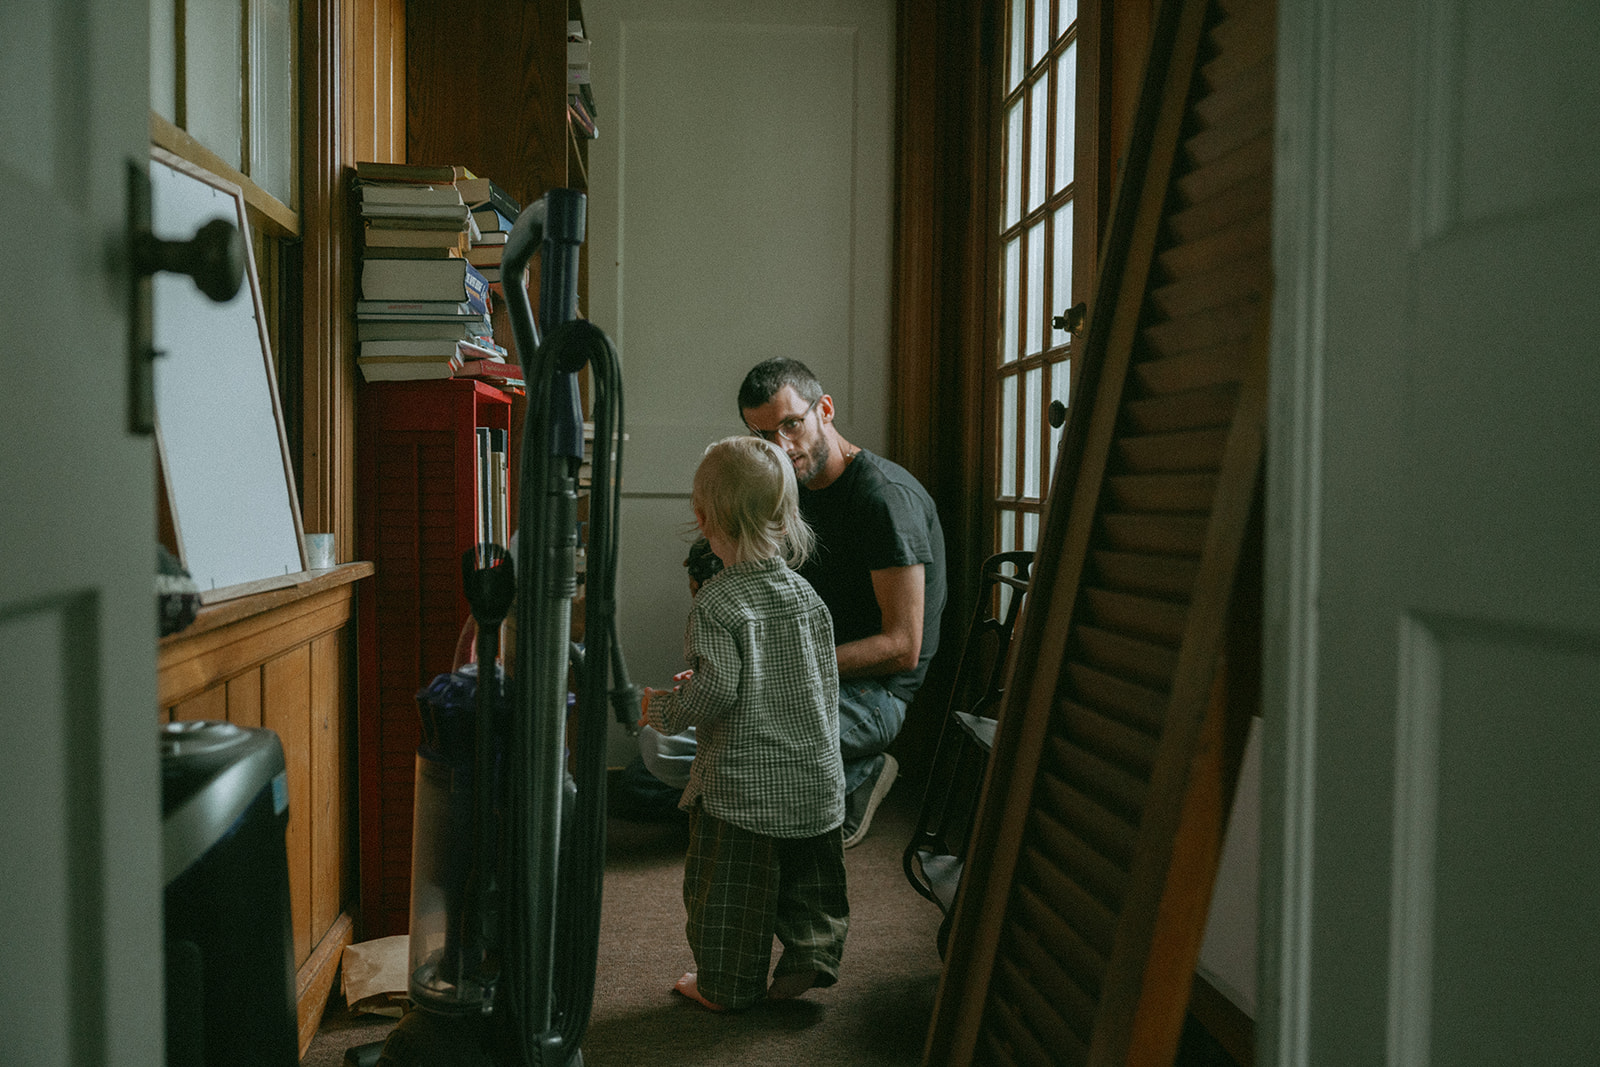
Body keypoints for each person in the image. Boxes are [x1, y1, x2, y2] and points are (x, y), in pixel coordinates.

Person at [636, 358, 947, 847]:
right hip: (798, 678)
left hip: (872, 695)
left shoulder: (885, 500)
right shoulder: (787, 489)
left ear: (824, 409)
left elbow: (902, 647)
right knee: (649, 764)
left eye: (791, 424)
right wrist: (723, 664)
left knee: (705, 755)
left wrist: (767, 670)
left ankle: (855, 779)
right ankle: (827, 779)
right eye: (764, 435)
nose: (780, 446)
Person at [640, 435, 847, 1011]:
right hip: (814, 778)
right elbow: (817, 683)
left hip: (743, 790)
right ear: (786, 514)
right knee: (810, 883)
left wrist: (660, 708)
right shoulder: (807, 596)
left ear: (703, 518)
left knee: (725, 894)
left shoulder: (717, 602)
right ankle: (809, 953)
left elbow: (717, 691)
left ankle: (724, 985)